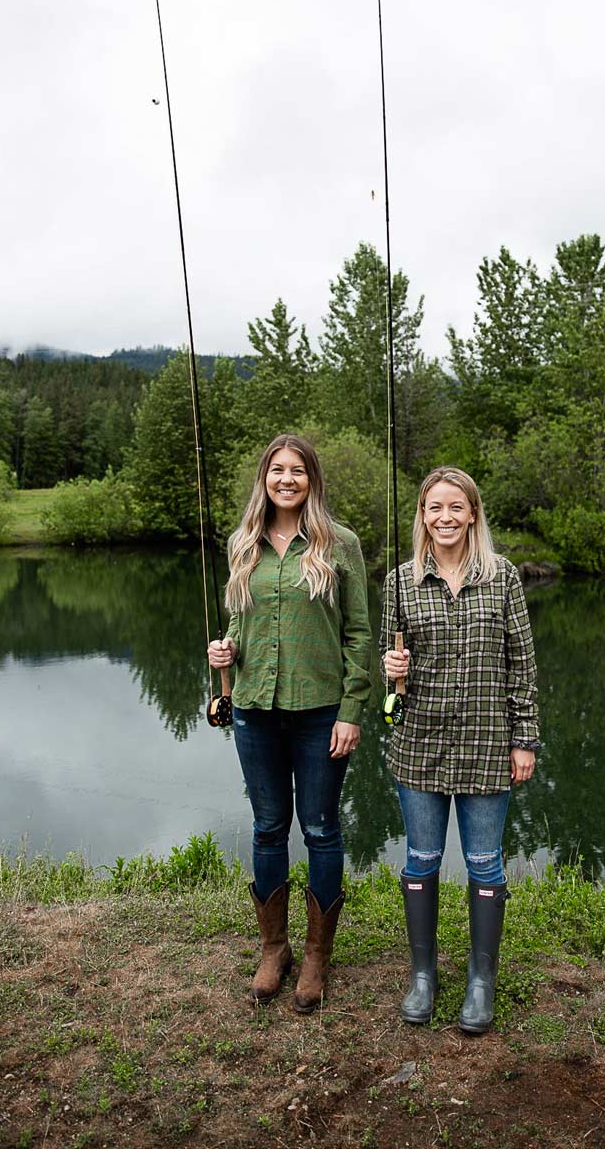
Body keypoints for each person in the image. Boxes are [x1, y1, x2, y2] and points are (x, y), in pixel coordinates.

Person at [208, 434, 372, 1013]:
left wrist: (353, 711)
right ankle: (273, 949)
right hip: (253, 709)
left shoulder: (340, 544)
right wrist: (225, 651)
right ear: (264, 478)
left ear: (312, 480)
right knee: (268, 827)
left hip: (323, 711)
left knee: (322, 830)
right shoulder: (242, 543)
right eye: (277, 470)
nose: (286, 479)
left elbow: (359, 635)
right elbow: (239, 620)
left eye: (296, 471)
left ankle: (316, 957)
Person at [381, 466, 539, 1034]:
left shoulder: (504, 578)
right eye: (433, 508)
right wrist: (390, 668)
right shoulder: (401, 581)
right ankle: (423, 975)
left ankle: (480, 979)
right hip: (418, 743)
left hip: (487, 744)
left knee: (483, 863)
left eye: (455, 507)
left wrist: (525, 739)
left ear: (473, 513)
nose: (444, 517)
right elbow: (386, 661)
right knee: (421, 859)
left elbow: (521, 665)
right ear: (422, 517)